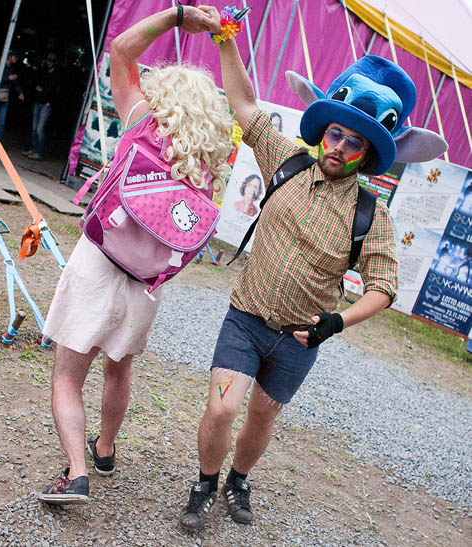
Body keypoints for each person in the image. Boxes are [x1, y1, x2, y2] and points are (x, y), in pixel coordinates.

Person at [177, 5, 447, 532]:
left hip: (300, 341)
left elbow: (385, 287)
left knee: (262, 415)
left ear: (367, 154)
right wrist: (227, 38)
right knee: (225, 408)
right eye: (336, 134)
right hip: (246, 322)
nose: (339, 147)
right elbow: (245, 104)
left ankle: (237, 480)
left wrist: (336, 323)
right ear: (324, 130)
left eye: (354, 142)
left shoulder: (372, 213)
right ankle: (206, 483)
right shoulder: (286, 158)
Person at [36, 6, 234, 505]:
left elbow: (121, 49)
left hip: (99, 263)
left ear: (163, 96)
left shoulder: (142, 121)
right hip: (147, 284)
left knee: (66, 375)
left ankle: (76, 474)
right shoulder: (207, 169)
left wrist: (178, 16)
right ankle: (104, 449)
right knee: (118, 369)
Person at [22, 52, 61, 160]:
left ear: (54, 63)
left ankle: (39, 152)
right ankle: (33, 149)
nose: (49, 63)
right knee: (34, 128)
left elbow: (56, 91)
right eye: (48, 61)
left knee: (39, 129)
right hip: (38, 102)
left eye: (51, 62)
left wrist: (50, 101)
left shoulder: (56, 76)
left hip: (46, 104)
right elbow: (37, 83)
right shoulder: (43, 72)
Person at [0, 53, 25, 141]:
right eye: (15, 56)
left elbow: (15, 83)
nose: (17, 58)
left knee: (1, 121)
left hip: (5, 95)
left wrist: (20, 93)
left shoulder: (12, 68)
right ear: (9, 56)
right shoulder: (0, 65)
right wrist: (8, 78)